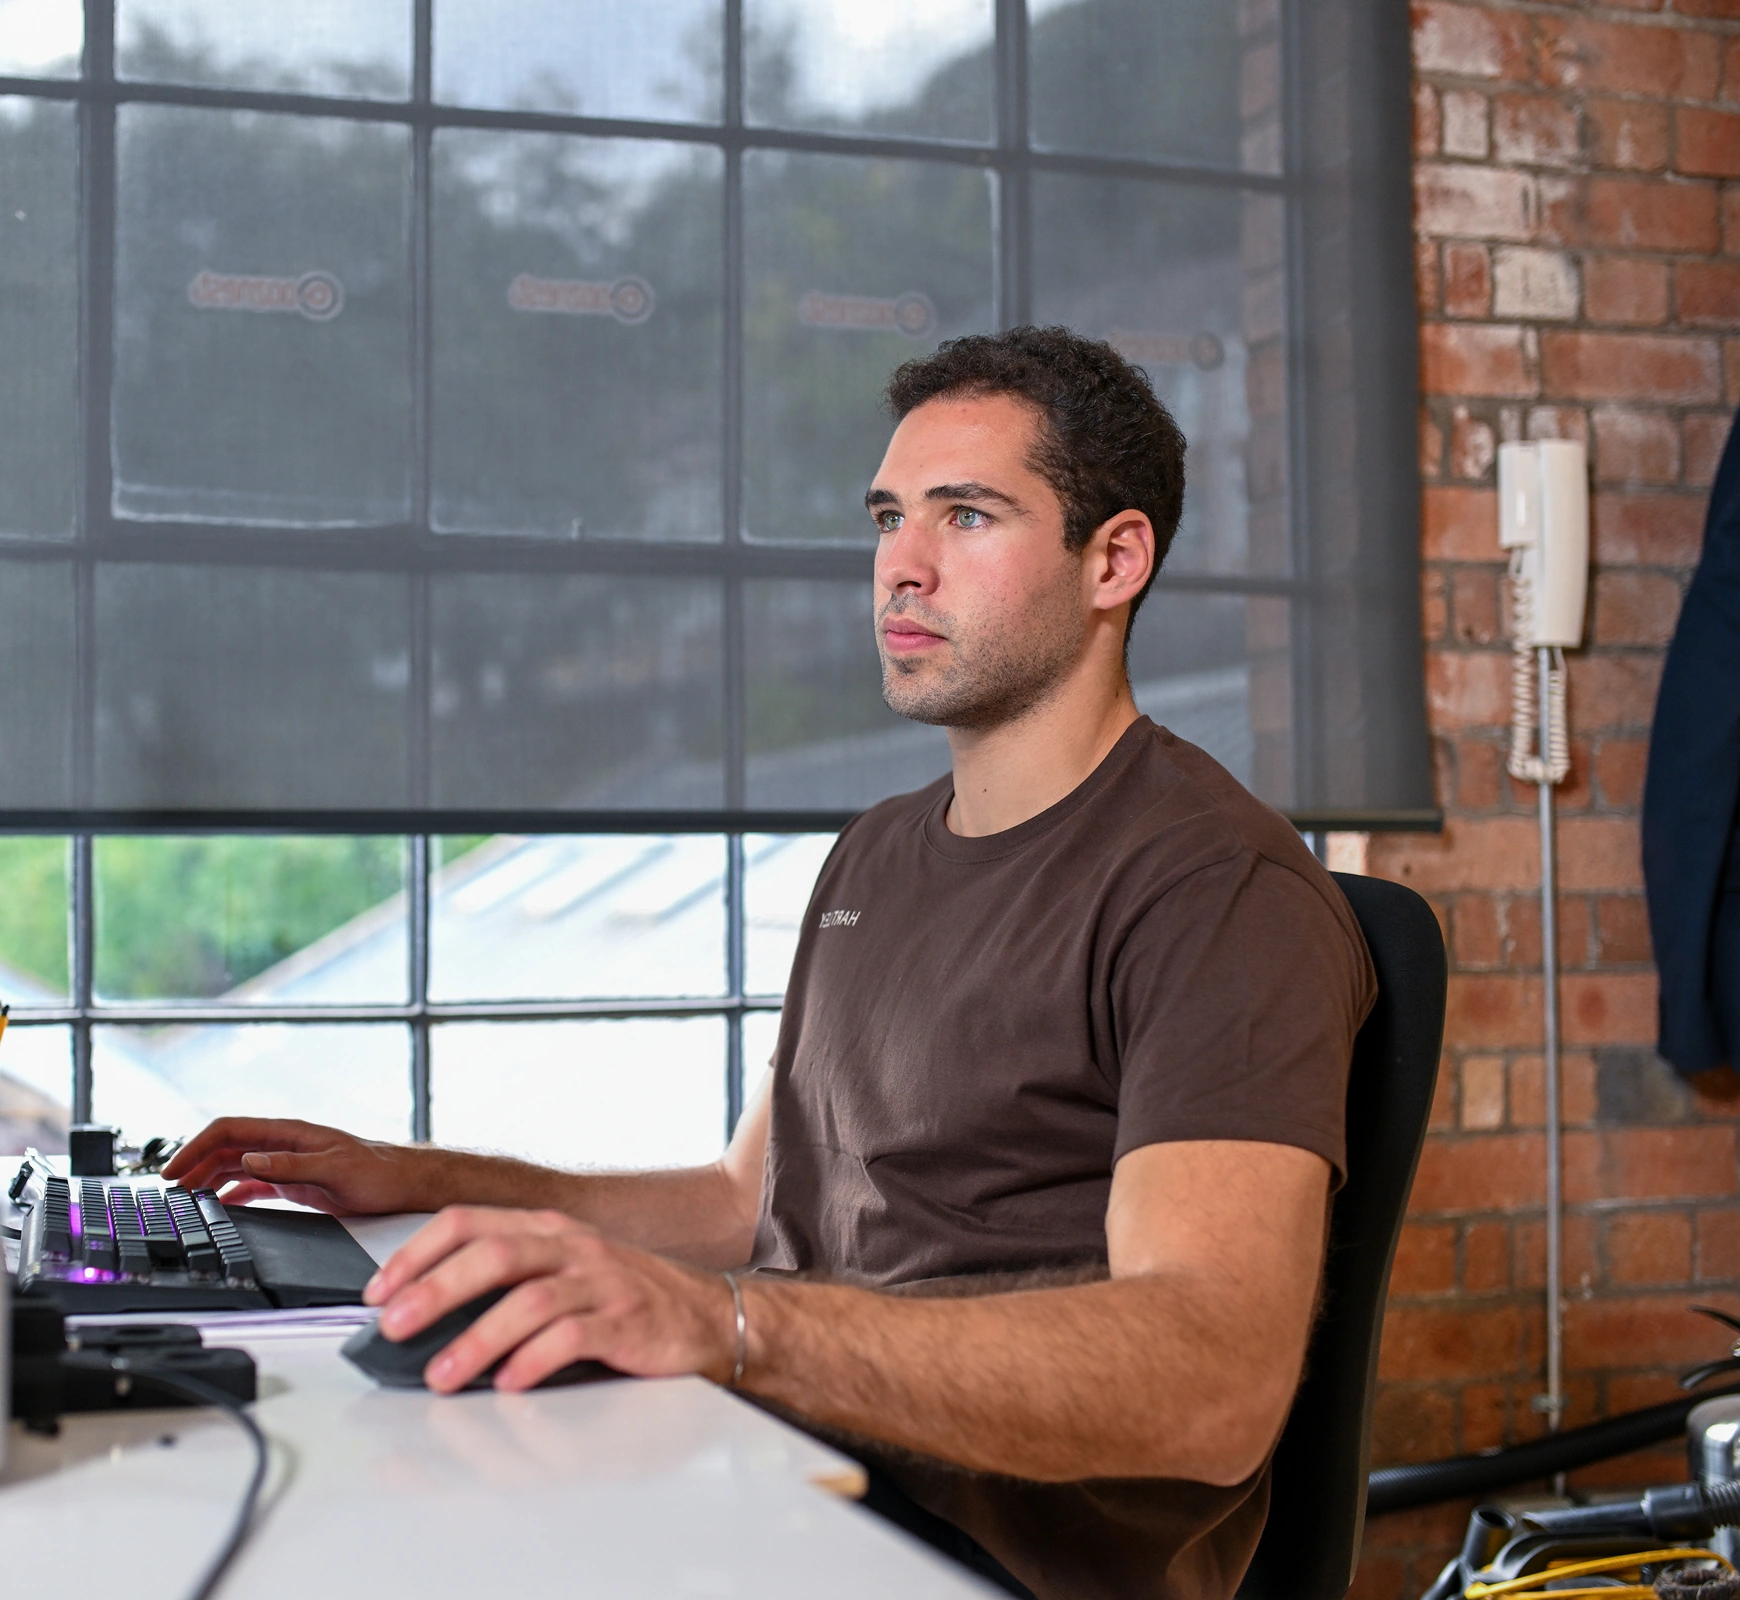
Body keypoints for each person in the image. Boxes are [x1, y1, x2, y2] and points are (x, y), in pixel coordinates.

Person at [166, 326, 1374, 1600]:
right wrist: (425, 1179)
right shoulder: (879, 852)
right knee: (319, 1501)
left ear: (1113, 559)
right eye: (889, 516)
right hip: (782, 1460)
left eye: (966, 517)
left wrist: (729, 1328)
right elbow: (753, 1197)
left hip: (973, 1553)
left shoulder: (1212, 887)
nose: (901, 568)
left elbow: (1216, 1379)